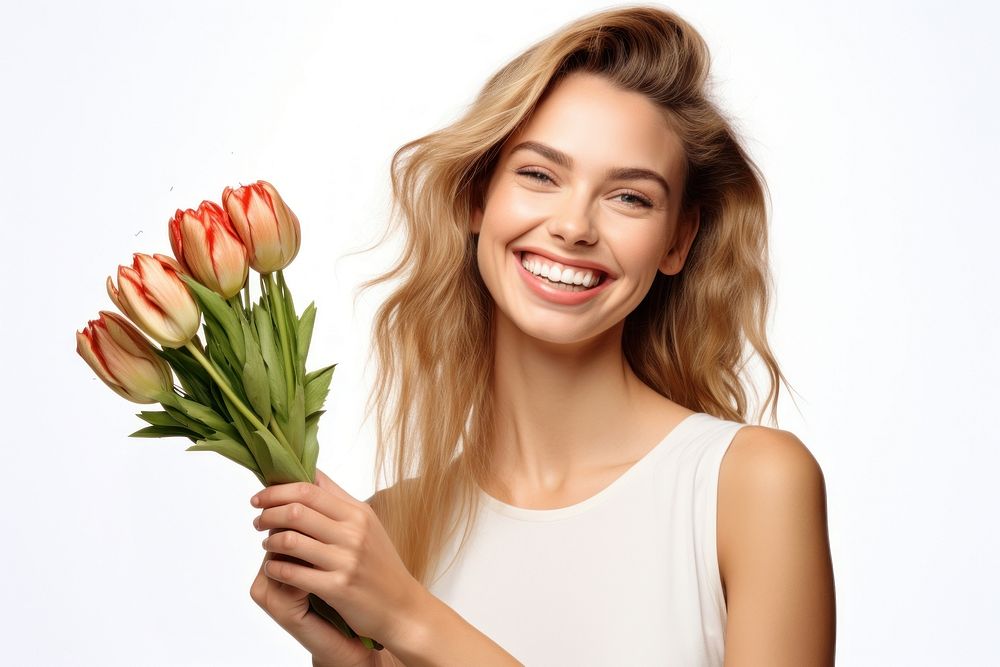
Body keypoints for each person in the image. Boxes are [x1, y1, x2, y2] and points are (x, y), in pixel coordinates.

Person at [246, 5, 836, 666]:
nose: (574, 225)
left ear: (678, 240)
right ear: (478, 197)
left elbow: (413, 620)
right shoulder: (388, 530)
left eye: (630, 197)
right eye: (539, 175)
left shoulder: (749, 484)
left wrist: (411, 619)